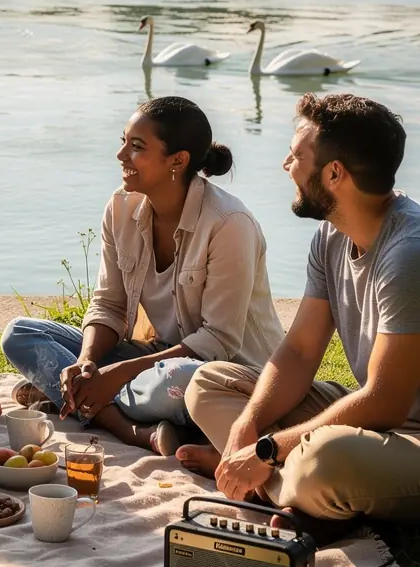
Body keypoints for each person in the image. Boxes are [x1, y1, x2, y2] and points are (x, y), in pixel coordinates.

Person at [179, 93, 420, 543]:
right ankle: (304, 499)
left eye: (296, 155)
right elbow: (300, 350)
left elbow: (387, 401)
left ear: (334, 173)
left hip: (408, 435)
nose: (286, 164)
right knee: (209, 384)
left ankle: (288, 489)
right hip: (375, 426)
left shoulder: (408, 254)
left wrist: (269, 449)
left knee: (324, 459)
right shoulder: (332, 234)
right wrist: (249, 424)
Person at [2, 97, 284, 455]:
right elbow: (109, 304)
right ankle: (129, 427)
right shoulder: (121, 207)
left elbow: (218, 342)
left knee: (181, 380)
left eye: (136, 147)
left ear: (178, 161)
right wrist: (87, 362)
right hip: (154, 357)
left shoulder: (229, 225)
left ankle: (79, 400)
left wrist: (117, 374)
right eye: (123, 141)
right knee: (21, 335)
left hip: (224, 373)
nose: (121, 155)